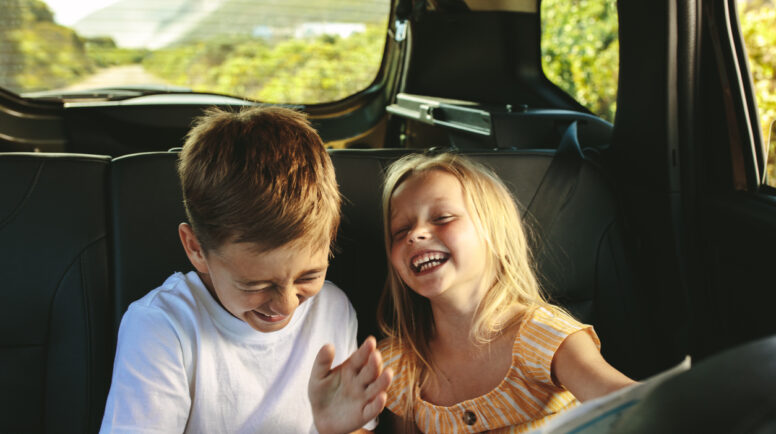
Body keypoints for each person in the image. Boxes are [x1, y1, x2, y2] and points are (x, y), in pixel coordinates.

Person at [100, 106, 392, 434]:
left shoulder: (332, 309)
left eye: (308, 276)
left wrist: (337, 430)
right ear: (196, 248)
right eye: (255, 284)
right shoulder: (162, 327)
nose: (287, 305)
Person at [376, 153, 635, 433]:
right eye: (401, 230)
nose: (415, 235)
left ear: (495, 233)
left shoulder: (542, 336)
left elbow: (627, 404)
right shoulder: (400, 364)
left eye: (442, 218)